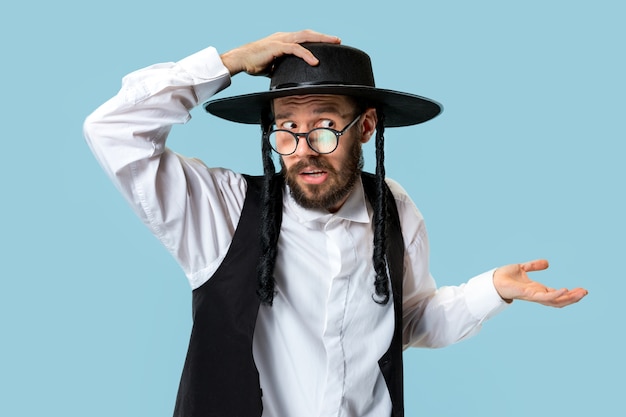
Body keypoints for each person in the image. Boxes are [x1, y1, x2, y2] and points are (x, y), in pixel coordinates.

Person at [83, 30, 587, 417]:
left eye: (325, 128)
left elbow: (405, 322)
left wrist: (491, 290)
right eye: (288, 130)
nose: (305, 152)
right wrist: (228, 63)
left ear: (366, 126)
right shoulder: (219, 210)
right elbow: (112, 131)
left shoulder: (394, 209)